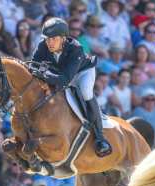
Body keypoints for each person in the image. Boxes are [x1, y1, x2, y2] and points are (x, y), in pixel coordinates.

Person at [31, 17, 112, 157]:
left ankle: (100, 137)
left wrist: (43, 73)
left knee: (86, 93)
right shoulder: (42, 46)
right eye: (47, 38)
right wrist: (41, 73)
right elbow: (32, 65)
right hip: (59, 74)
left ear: (63, 38)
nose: (49, 42)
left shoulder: (76, 49)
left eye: (53, 38)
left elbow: (64, 80)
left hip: (82, 73)